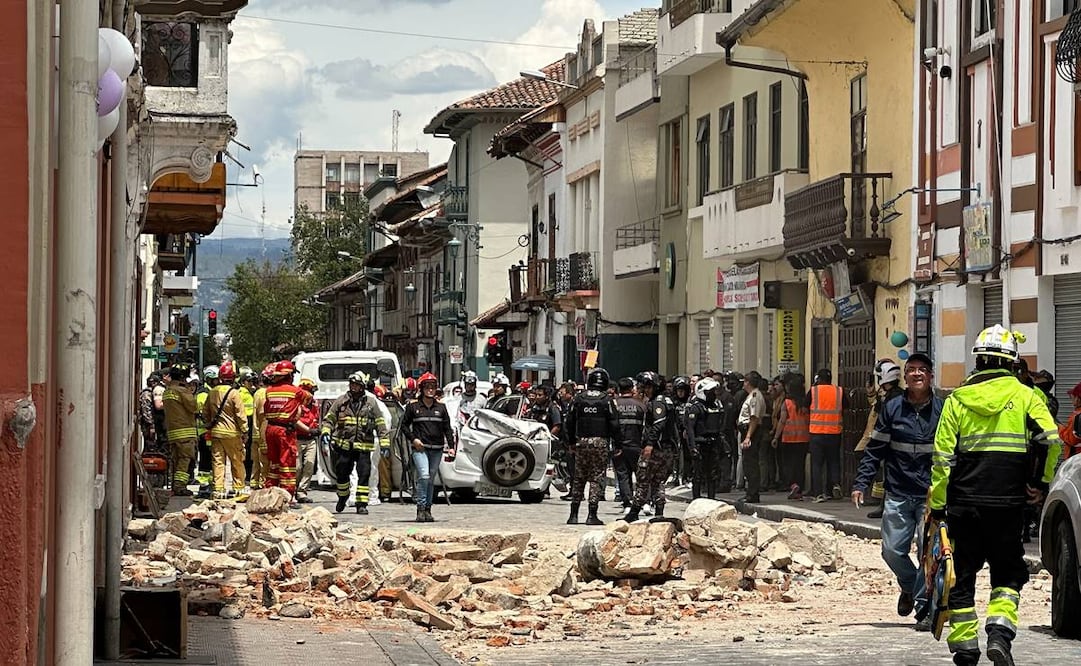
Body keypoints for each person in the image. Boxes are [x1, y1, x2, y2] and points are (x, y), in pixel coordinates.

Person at [930, 325, 1061, 666]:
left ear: (979, 360)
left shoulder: (956, 400)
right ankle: (1000, 635)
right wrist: (1039, 483)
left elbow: (942, 459)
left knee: (961, 575)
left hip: (963, 504)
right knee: (1007, 574)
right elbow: (1052, 440)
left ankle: (965, 646)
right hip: (1008, 505)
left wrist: (937, 506)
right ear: (1011, 362)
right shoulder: (1026, 397)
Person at [852, 352, 941, 632]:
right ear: (904, 376)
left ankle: (923, 606)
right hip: (899, 492)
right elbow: (876, 449)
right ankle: (910, 584)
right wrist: (861, 482)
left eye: (922, 370)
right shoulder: (892, 409)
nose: (916, 374)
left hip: (931, 494)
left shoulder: (942, 410)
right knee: (891, 551)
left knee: (928, 553)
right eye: (911, 369)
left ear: (930, 376)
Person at [321, 372, 389, 515]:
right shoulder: (341, 401)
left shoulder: (371, 403)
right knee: (342, 474)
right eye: (352, 384)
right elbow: (329, 419)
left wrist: (384, 444)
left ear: (362, 387)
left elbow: (380, 424)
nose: (353, 388)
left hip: (364, 447)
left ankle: (361, 504)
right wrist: (326, 432)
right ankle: (343, 496)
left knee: (364, 475)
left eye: (357, 385)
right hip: (344, 446)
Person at [564, 367, 622, 525]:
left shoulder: (578, 398)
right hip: (600, 442)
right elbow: (614, 424)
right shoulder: (607, 400)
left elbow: (569, 421)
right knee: (596, 478)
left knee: (579, 477)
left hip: (582, 441)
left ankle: (573, 514)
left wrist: (570, 442)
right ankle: (592, 515)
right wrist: (618, 443)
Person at [400, 372, 456, 522]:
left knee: (430, 479)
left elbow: (447, 428)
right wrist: (413, 439)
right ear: (422, 388)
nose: (430, 390)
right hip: (420, 449)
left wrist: (451, 446)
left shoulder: (442, 408)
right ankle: (420, 507)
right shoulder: (413, 407)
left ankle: (428, 509)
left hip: (437, 449)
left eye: (433, 387)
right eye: (427, 387)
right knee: (423, 476)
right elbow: (404, 426)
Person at [626, 371, 678, 521]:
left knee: (643, 478)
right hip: (666, 448)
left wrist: (650, 444)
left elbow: (658, 423)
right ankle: (659, 514)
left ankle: (634, 512)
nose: (646, 390)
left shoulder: (658, 402)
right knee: (657, 482)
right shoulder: (666, 400)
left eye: (649, 387)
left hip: (657, 448)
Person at [857, 360, 905, 518]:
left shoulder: (895, 398)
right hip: (885, 440)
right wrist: (871, 393)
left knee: (888, 474)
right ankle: (882, 504)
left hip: (889, 441)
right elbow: (876, 408)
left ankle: (884, 505)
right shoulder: (891, 395)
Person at [202, 361, 249, 499]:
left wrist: (209, 424)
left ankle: (218, 490)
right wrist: (245, 431)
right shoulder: (234, 393)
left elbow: (205, 413)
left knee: (218, 461)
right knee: (236, 461)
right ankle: (238, 488)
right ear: (233, 378)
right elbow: (240, 414)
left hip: (216, 433)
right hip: (232, 433)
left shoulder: (212, 392)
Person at [262, 360, 308, 499]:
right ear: (288, 376)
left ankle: (271, 492)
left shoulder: (269, 391)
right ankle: (287, 496)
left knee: (274, 464)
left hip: (270, 429)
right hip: (284, 431)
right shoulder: (296, 391)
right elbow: (308, 399)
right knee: (287, 464)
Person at [685, 377, 729, 499]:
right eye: (710, 392)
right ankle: (696, 500)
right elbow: (690, 429)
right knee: (698, 475)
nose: (713, 394)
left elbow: (720, 425)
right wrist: (693, 447)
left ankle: (711, 499)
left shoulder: (716, 406)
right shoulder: (696, 407)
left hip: (713, 444)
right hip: (700, 444)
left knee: (713, 474)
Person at [808, 368, 848, 502]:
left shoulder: (813, 391)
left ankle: (818, 493)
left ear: (818, 379)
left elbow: (804, 406)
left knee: (817, 464)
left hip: (816, 432)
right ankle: (834, 485)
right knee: (834, 461)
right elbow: (846, 406)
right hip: (834, 432)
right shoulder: (839, 391)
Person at [162, 364, 198, 496]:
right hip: (185, 433)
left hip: (172, 433)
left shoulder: (167, 391)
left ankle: (174, 484)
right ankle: (179, 486)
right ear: (183, 377)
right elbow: (193, 407)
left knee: (175, 460)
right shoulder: (182, 391)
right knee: (184, 459)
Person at [774, 375, 810, 500]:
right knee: (800, 465)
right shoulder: (806, 403)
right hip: (804, 438)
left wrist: (775, 437)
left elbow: (782, 421)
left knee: (788, 465)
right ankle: (799, 489)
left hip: (788, 438)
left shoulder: (787, 403)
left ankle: (792, 484)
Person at [612, 377, 645, 512]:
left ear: (619, 390)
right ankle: (643, 501)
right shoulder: (641, 405)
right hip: (637, 445)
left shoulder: (613, 404)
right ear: (632, 389)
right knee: (641, 475)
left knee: (622, 475)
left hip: (618, 446)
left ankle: (627, 503)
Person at [737, 371, 767, 504]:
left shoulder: (754, 396)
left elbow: (754, 418)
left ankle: (752, 494)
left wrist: (748, 436)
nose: (743, 384)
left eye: (744, 381)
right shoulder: (751, 395)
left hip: (751, 431)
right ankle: (750, 492)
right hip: (748, 430)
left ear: (748, 382)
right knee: (748, 462)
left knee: (751, 464)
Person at [294, 377, 320, 504]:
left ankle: (301, 492)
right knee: (297, 467)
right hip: (297, 438)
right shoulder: (296, 405)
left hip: (311, 440)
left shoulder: (314, 404)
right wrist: (308, 429)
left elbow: (316, 418)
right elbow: (295, 421)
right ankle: (292, 489)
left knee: (309, 466)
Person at [249, 365, 272, 490]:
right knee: (265, 463)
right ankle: (264, 485)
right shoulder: (265, 393)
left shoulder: (257, 393)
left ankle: (255, 483)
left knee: (256, 463)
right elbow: (264, 416)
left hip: (255, 433)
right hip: (263, 433)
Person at [670, 376, 693, 487]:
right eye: (678, 390)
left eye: (682, 390)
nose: (680, 393)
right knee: (676, 454)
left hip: (686, 432)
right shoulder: (673, 402)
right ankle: (675, 476)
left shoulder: (690, 402)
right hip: (675, 431)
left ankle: (686, 477)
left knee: (687, 455)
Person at [1060, 381, 1081, 460]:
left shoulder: (1077, 416)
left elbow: (1071, 439)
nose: (1071, 398)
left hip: (1076, 458)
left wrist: (1059, 428)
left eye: (1074, 396)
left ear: (1079, 398)